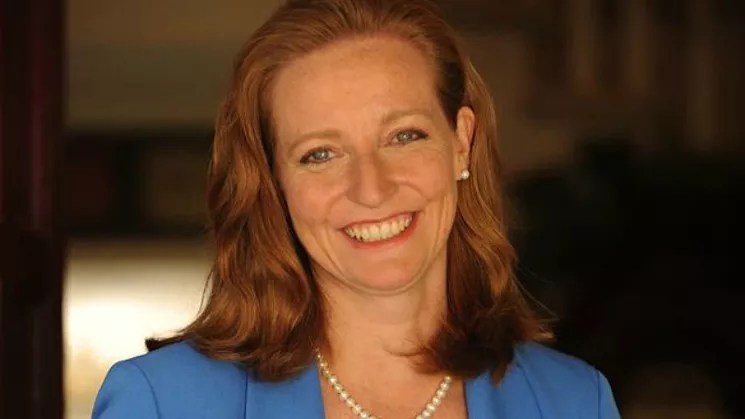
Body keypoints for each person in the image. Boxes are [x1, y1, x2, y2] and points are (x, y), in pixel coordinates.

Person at [92, 0, 620, 418]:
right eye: (320, 154)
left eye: (404, 136)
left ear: (461, 142)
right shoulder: (162, 403)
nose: (371, 189)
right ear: (274, 182)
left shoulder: (575, 402)